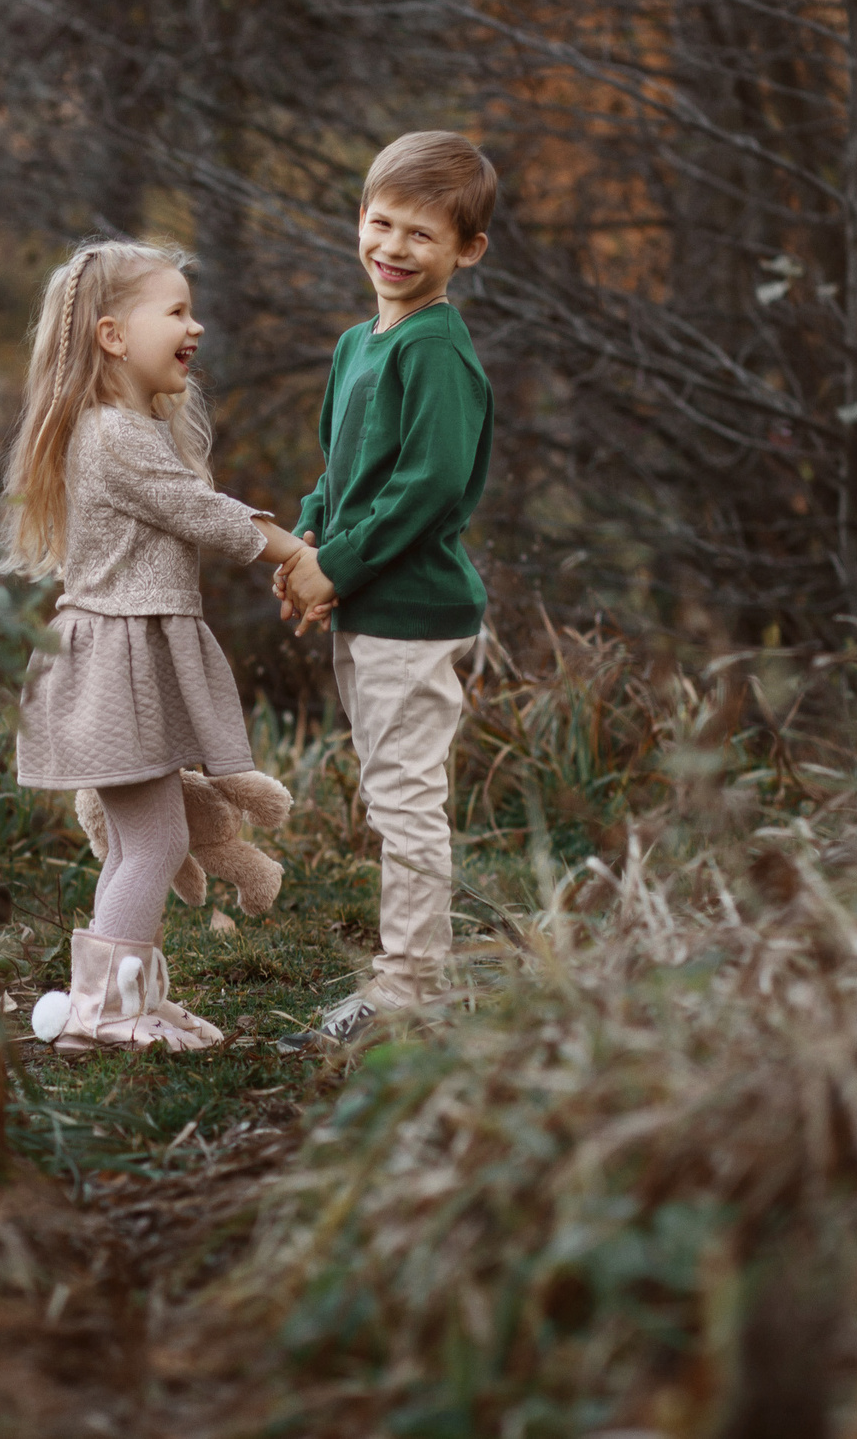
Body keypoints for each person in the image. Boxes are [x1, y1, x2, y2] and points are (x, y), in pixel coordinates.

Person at [1, 238, 311, 1051]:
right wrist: (301, 554)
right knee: (157, 839)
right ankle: (111, 1011)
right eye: (175, 310)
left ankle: (111, 999)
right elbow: (200, 512)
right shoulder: (113, 434)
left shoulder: (114, 428)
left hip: (114, 663)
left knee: (146, 838)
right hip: (112, 667)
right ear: (112, 336)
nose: (195, 325)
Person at [275, 131, 497, 1045]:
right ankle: (406, 973)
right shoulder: (356, 344)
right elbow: (344, 470)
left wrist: (342, 563)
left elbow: (430, 485)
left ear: (467, 251)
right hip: (367, 600)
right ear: (358, 223)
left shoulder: (435, 350)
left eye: (422, 235)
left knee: (405, 797)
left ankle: (412, 989)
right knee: (387, 789)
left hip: (413, 610)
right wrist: (308, 546)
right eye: (382, 223)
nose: (395, 249)